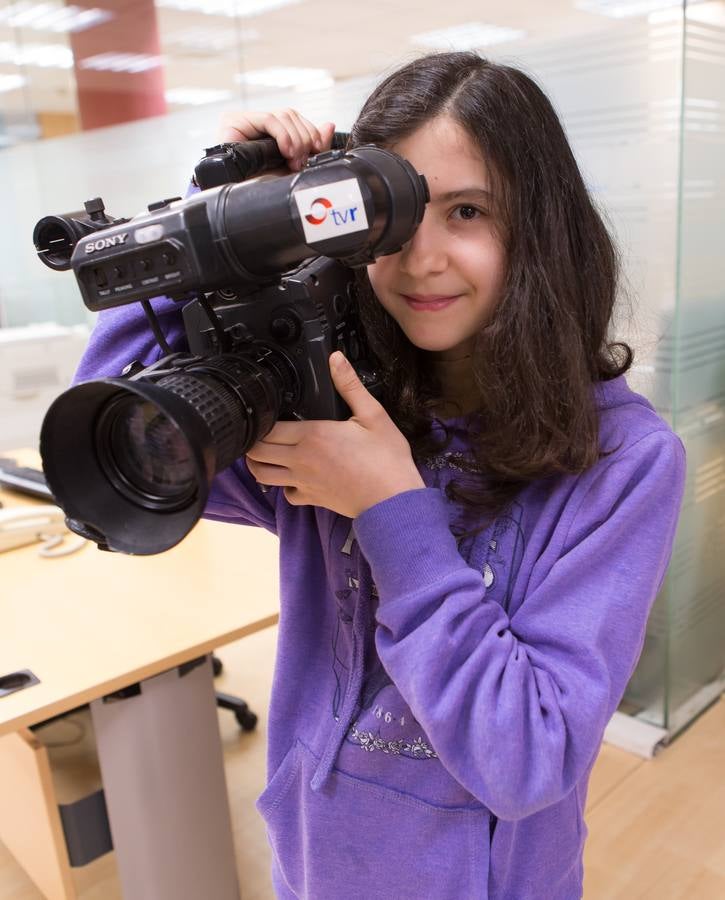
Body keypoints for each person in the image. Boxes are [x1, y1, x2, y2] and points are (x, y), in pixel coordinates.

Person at [73, 52, 685, 899]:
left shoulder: (621, 460)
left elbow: (528, 757)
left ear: (539, 227)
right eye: (388, 223)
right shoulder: (332, 410)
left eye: (466, 211)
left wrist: (391, 509)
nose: (419, 259)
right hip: (315, 863)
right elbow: (121, 436)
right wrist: (230, 227)